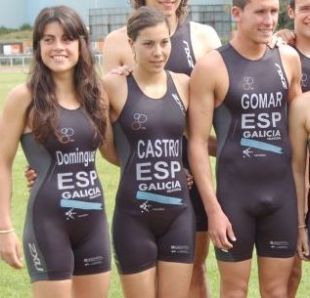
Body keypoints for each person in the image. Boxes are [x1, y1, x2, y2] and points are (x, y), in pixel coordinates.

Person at [102, 1, 221, 296]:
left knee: (194, 276)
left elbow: (199, 137)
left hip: (180, 207)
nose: (158, 52)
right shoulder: (112, 85)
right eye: (148, 44)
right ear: (132, 44)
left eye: (164, 43)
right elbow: (105, 145)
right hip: (134, 212)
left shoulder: (184, 83)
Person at [188, 0, 302, 297]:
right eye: (260, 12)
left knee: (278, 291)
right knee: (235, 290)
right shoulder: (212, 66)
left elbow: (299, 134)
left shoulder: (288, 59)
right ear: (236, 14)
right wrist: (213, 210)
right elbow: (198, 143)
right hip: (234, 200)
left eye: (274, 12)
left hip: (282, 198)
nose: (269, 20)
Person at [0, 6, 111, 298]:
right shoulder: (23, 98)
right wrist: (4, 230)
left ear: (81, 44)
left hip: (94, 224)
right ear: (38, 46)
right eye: (48, 39)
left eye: (67, 39)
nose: (58, 47)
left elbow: (115, 151)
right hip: (48, 225)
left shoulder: (96, 96)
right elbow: (2, 162)